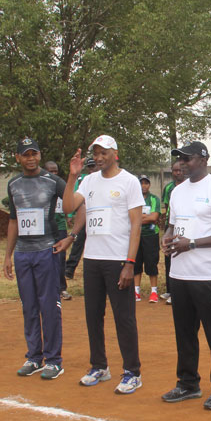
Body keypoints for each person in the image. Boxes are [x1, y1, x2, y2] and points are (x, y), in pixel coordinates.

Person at [60, 135, 144, 393]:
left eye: (103, 152)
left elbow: (136, 226)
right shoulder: (88, 181)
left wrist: (130, 263)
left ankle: (132, 372)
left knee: (124, 318)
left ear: (115, 153)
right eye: (95, 152)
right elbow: (67, 207)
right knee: (93, 316)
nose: (98, 157)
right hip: (93, 260)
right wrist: (73, 176)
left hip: (118, 260)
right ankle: (99, 366)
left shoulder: (129, 182)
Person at [161, 141, 211, 410]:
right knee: (184, 333)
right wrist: (168, 237)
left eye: (187, 159)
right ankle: (188, 383)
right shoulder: (177, 191)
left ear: (203, 159)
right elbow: (173, 223)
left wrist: (192, 243)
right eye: (180, 159)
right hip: (179, 274)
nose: (182, 163)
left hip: (207, 274)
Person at [4, 138, 66, 380]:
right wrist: (8, 254)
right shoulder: (14, 184)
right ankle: (34, 357)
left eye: (34, 154)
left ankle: (54, 360)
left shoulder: (53, 181)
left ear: (40, 155)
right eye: (25, 154)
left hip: (47, 251)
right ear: (18, 157)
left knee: (49, 306)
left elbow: (75, 203)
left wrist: (70, 236)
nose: (30, 158)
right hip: (23, 253)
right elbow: (13, 220)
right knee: (28, 306)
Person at [64, 156, 96, 282]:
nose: (92, 169)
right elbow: (75, 199)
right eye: (90, 167)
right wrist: (71, 215)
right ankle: (69, 269)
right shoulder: (83, 180)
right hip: (83, 217)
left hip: (98, 218)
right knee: (78, 242)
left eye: (94, 166)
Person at [44, 160, 72, 300]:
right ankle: (48, 289)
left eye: (55, 171)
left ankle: (62, 289)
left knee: (60, 259)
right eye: (50, 171)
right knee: (45, 258)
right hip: (45, 228)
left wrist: (68, 217)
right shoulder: (41, 187)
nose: (53, 174)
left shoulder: (60, 185)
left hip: (60, 227)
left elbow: (66, 202)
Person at [159, 161, 186, 303]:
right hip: (170, 225)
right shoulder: (169, 187)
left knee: (180, 254)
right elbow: (166, 206)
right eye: (175, 170)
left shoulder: (189, 186)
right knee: (169, 256)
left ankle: (178, 292)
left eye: (180, 170)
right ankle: (170, 290)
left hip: (183, 224)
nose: (178, 173)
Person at [135, 175, 162, 303]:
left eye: (146, 183)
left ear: (149, 185)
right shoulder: (134, 199)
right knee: (136, 263)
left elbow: (154, 217)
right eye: (141, 183)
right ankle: (136, 291)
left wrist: (139, 218)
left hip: (151, 235)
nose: (143, 186)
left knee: (151, 263)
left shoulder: (154, 199)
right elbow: (130, 217)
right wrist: (145, 217)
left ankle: (154, 292)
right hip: (136, 235)